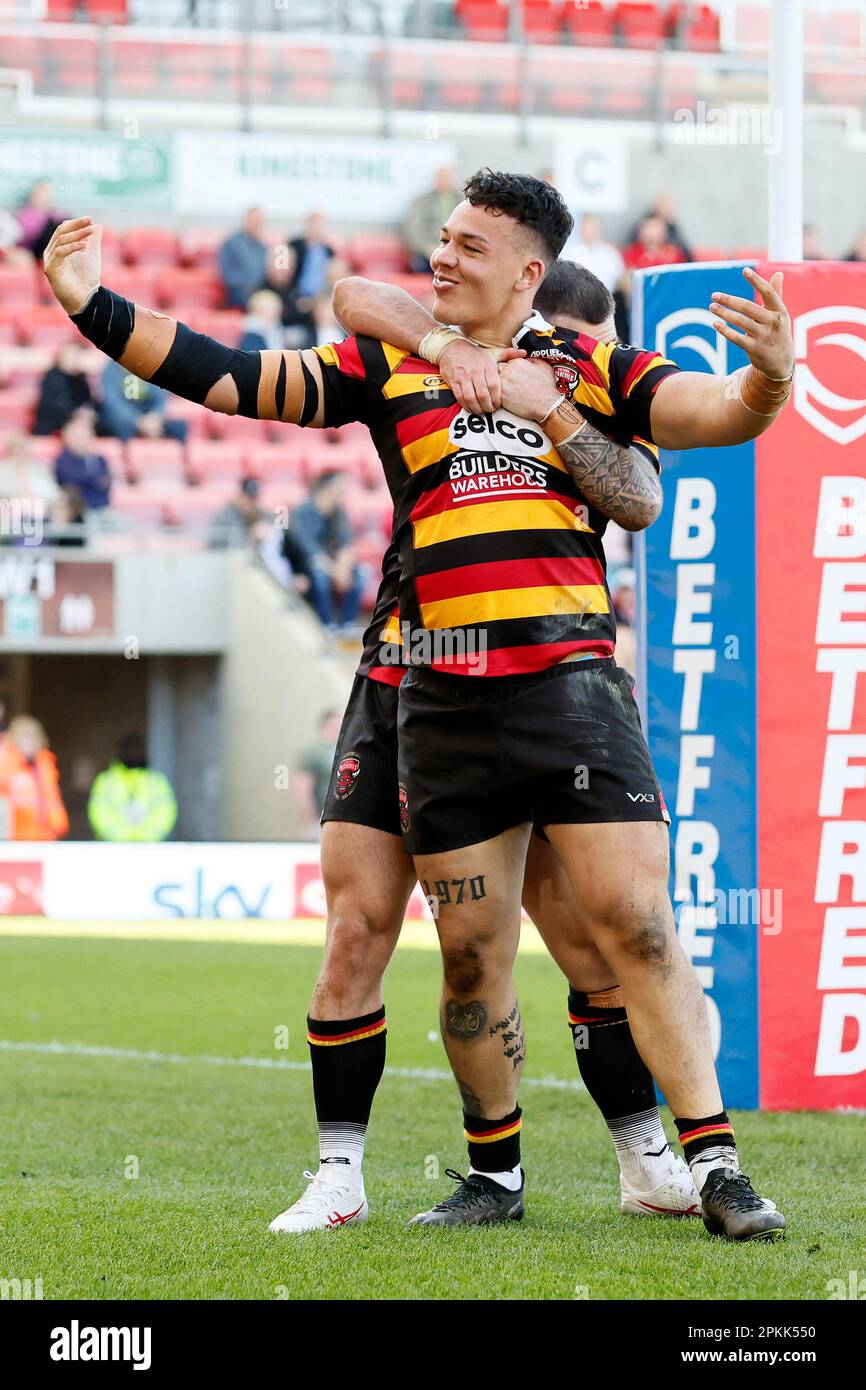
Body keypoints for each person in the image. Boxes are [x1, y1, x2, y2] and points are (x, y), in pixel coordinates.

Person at [43, 183, 793, 1242]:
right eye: (438, 237)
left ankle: (712, 1167)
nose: (440, 254)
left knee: (632, 925)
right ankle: (495, 1176)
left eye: (467, 243)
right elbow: (233, 377)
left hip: (571, 683)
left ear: (527, 271)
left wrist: (769, 370)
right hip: (438, 695)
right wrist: (93, 308)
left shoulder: (591, 367)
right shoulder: (391, 360)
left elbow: (719, 419)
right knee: (470, 957)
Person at [287, 471, 363, 630]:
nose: (343, 494)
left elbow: (346, 545)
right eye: (340, 490)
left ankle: (347, 624)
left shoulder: (338, 512)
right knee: (319, 574)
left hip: (331, 565)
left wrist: (343, 569)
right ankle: (327, 625)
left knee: (362, 572)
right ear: (328, 490)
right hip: (303, 569)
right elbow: (312, 554)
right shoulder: (301, 513)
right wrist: (336, 572)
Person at [88, 733, 178, 842]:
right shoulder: (106, 780)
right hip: (114, 847)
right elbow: (99, 811)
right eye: (128, 750)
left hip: (150, 847)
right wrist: (117, 835)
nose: (133, 754)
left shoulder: (157, 781)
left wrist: (149, 836)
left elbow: (165, 811)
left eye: (137, 750)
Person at [0, 716, 69, 840]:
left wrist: (58, 825)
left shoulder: (45, 764)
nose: (29, 743)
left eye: (33, 737)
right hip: (14, 839)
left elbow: (52, 799)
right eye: (23, 737)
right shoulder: (6, 764)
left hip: (44, 837)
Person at [98, 361, 187, 443]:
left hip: (149, 418)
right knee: (124, 428)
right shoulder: (111, 371)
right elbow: (113, 402)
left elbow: (160, 397)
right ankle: (126, 458)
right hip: (123, 420)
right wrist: (137, 420)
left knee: (180, 427)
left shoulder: (149, 366)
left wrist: (155, 417)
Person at [293, 710, 342, 841]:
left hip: (340, 823)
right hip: (320, 823)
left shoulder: (345, 751)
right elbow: (302, 789)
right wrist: (312, 822)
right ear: (324, 727)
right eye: (335, 725)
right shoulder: (313, 753)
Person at [402, 166, 458, 273]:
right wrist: (427, 248)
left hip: (454, 251)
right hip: (428, 253)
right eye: (440, 177)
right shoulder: (422, 202)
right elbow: (413, 230)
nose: (443, 181)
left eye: (446, 177)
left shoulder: (460, 200)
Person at [33, 340, 96, 436]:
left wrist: (87, 412)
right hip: (52, 426)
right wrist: (75, 414)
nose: (74, 360)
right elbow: (52, 406)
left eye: (76, 357)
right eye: (71, 357)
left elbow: (86, 401)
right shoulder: (52, 378)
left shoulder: (80, 379)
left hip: (78, 423)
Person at [54, 411, 111, 511]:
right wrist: (94, 479)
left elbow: (106, 483)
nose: (83, 442)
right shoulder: (62, 460)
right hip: (76, 512)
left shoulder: (98, 459)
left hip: (101, 508)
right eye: (79, 438)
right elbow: (71, 481)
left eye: (86, 437)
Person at [218, 206, 269, 310]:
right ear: (246, 220)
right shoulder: (232, 242)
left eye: (258, 221)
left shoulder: (262, 246)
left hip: (260, 291)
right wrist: (247, 286)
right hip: (240, 293)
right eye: (253, 220)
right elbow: (226, 274)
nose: (255, 224)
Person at [561, 214, 625, 294]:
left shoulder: (611, 253)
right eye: (586, 227)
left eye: (592, 227)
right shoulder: (567, 252)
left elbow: (620, 280)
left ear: (598, 229)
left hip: (605, 300)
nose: (589, 231)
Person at [207, 476, 270, 549]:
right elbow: (219, 546)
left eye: (254, 499)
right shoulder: (224, 518)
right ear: (240, 496)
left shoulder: (259, 513)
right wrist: (251, 536)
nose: (252, 503)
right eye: (248, 498)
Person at [0, 431, 60, 509]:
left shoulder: (40, 470)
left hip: (39, 514)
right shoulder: (2, 469)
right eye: (16, 449)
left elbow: (53, 495)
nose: (19, 453)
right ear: (10, 451)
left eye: (22, 449)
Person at [623, 213, 688, 273]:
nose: (652, 231)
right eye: (648, 226)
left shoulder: (674, 253)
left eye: (656, 227)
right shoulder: (631, 253)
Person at [15, 180, 64, 259]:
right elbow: (22, 239)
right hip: (32, 250)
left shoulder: (55, 214)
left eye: (46, 194)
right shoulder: (25, 214)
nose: (43, 197)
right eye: (40, 195)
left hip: (50, 250)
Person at [238, 288, 286, 353]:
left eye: (273, 307)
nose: (271, 311)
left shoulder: (276, 329)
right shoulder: (252, 334)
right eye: (265, 308)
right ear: (255, 310)